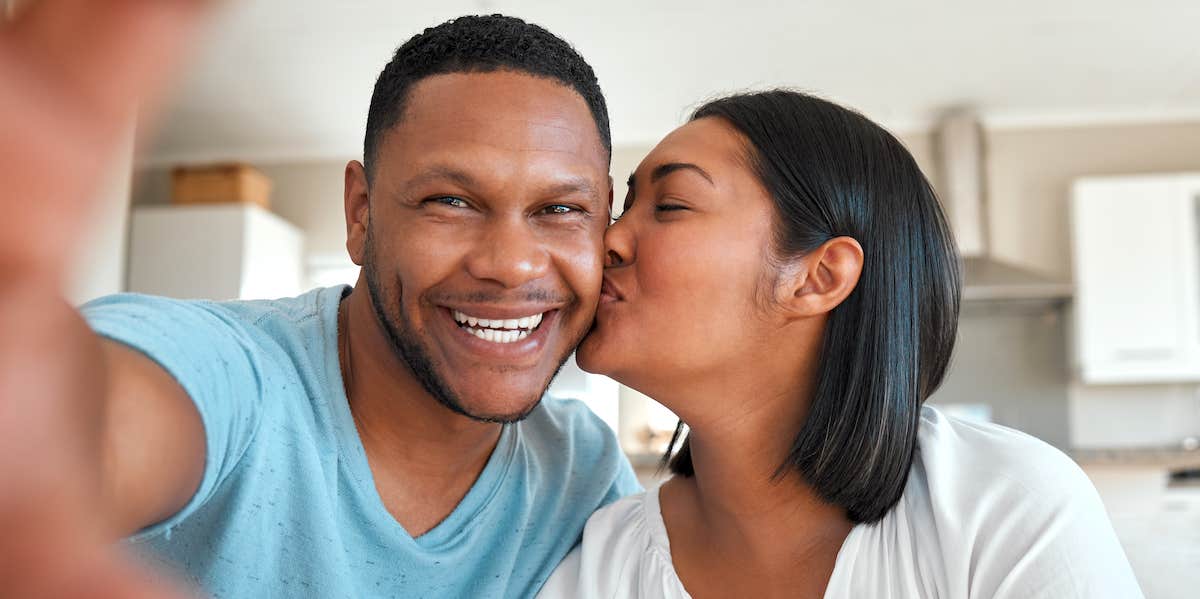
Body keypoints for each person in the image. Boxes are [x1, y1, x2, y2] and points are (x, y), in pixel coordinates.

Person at [0, 5, 638, 598]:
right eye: (451, 201)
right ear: (361, 214)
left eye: (561, 210)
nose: (511, 263)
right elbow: (92, 423)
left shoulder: (586, 474)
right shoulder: (235, 377)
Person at [539, 90, 1144, 598]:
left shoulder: (1006, 504)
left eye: (670, 206)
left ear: (819, 277)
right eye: (623, 208)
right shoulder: (598, 568)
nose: (607, 241)